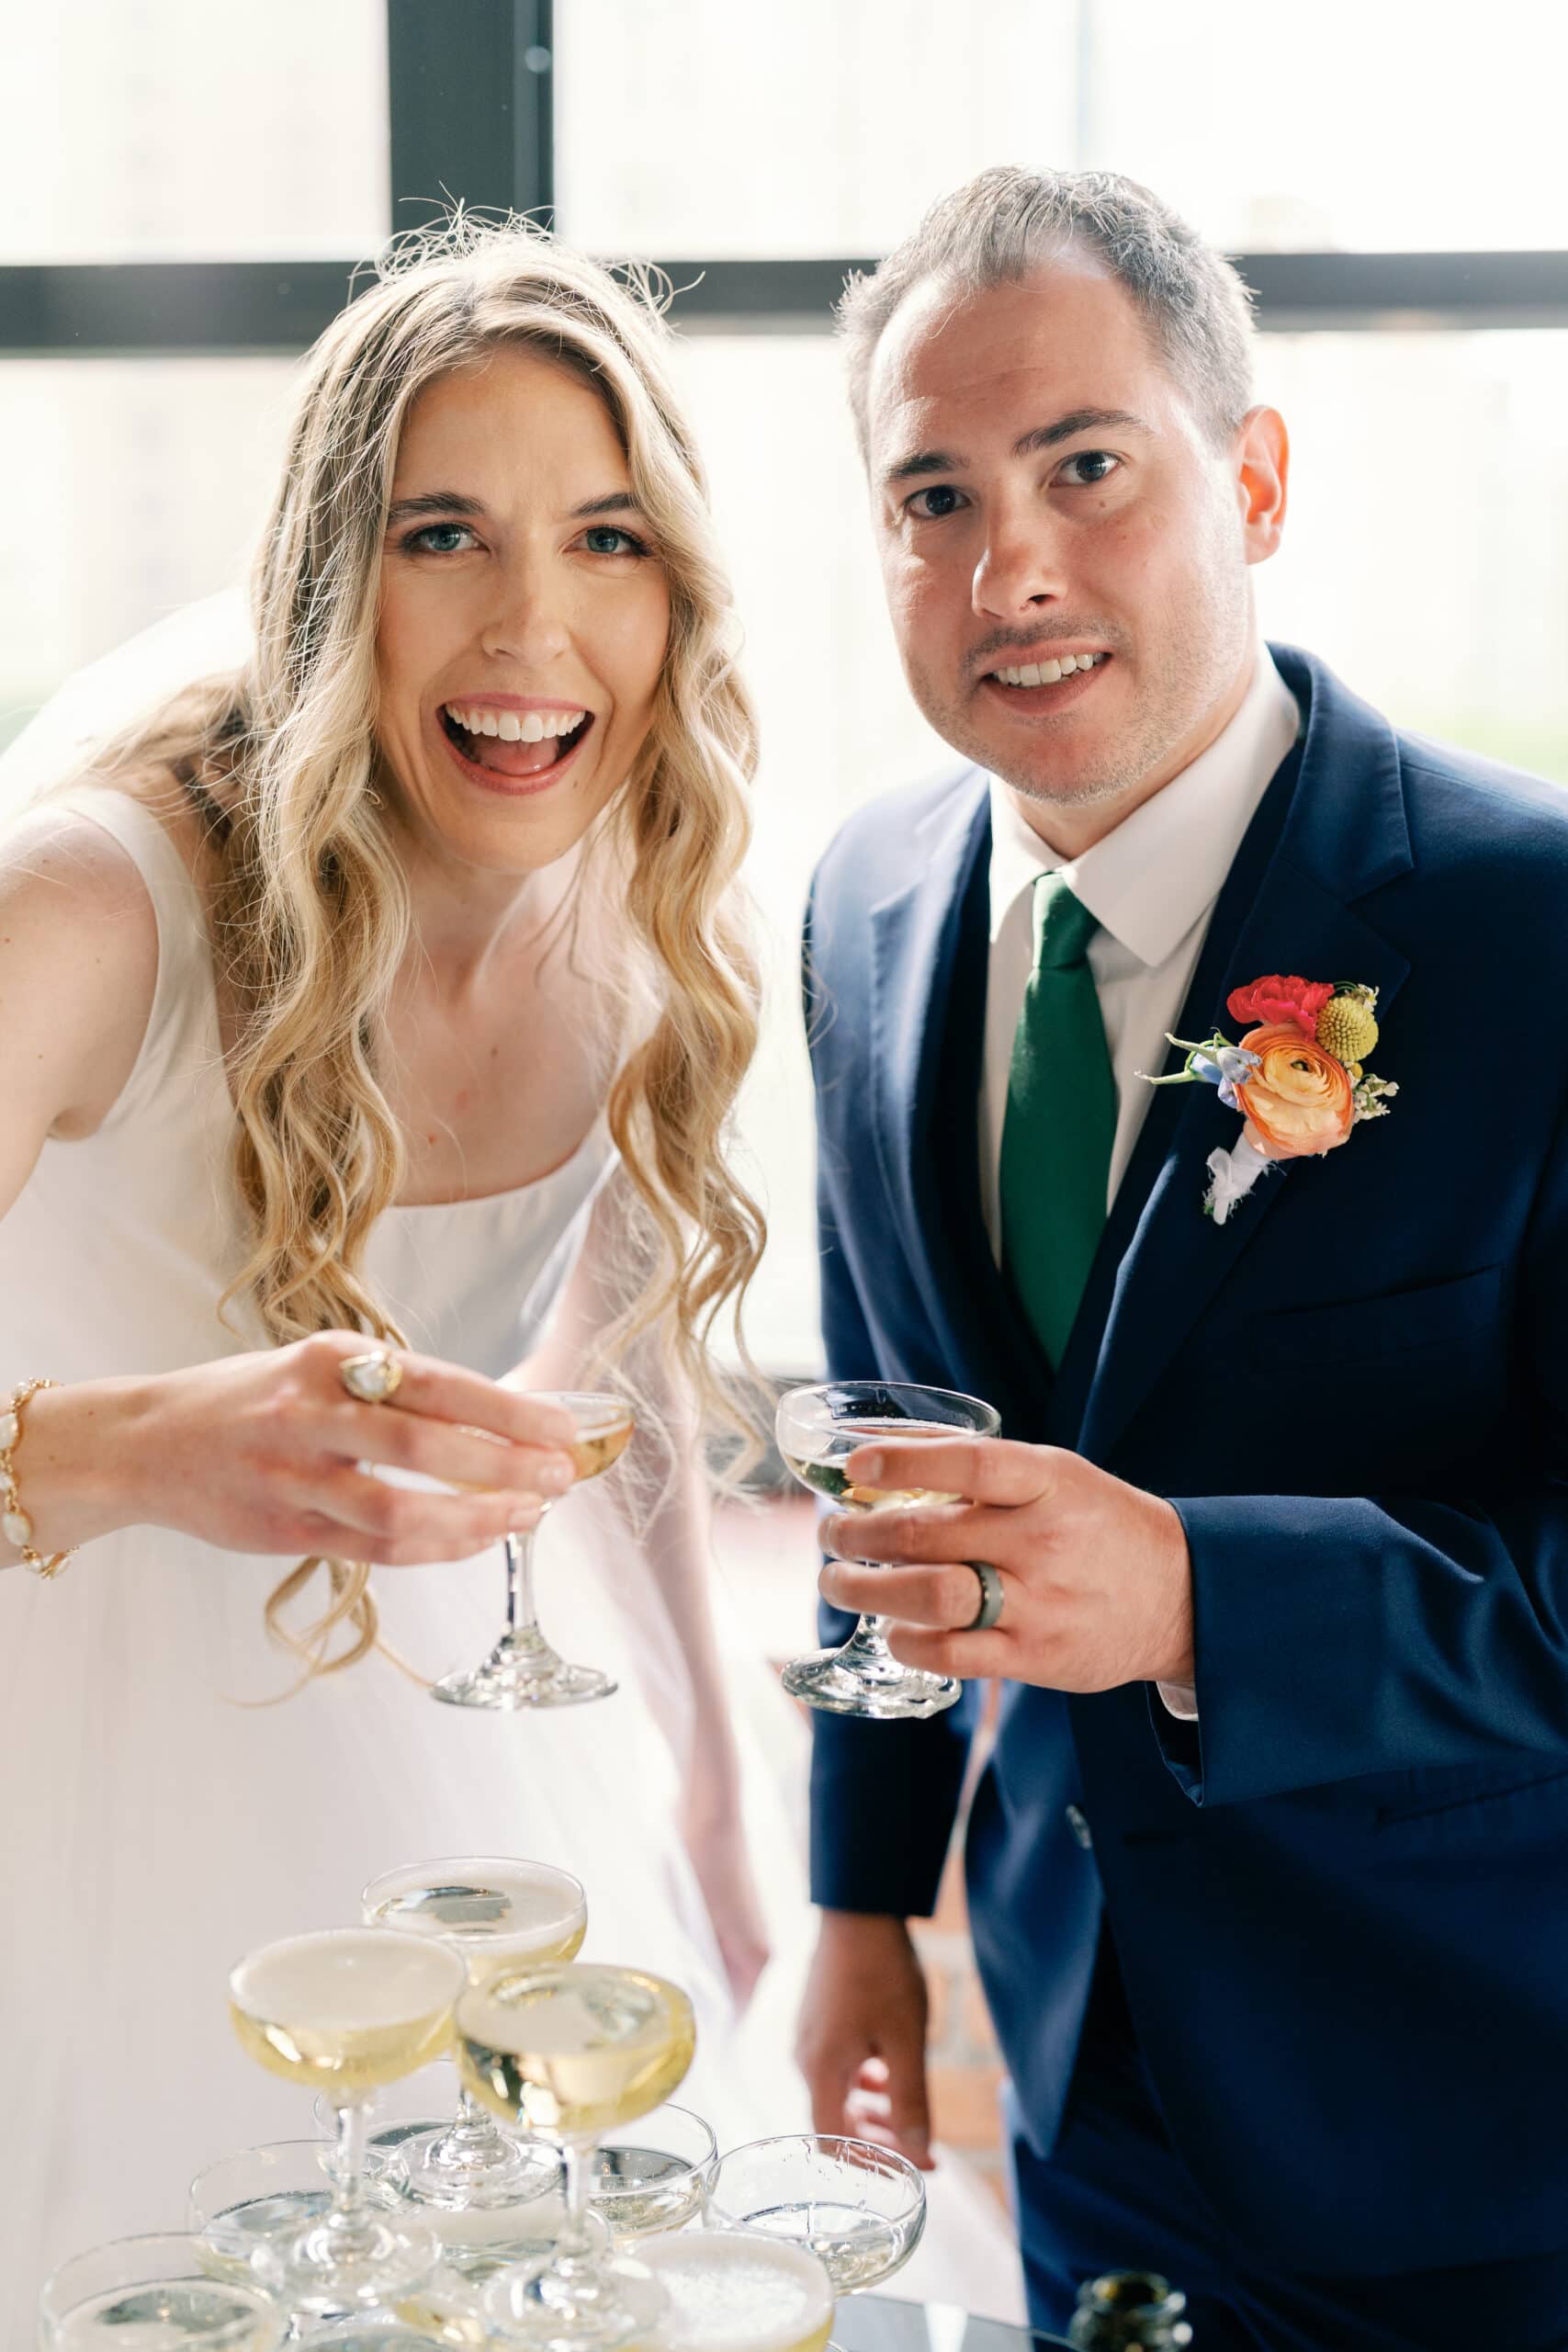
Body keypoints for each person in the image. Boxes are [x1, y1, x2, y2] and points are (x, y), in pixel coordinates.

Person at [795, 165, 1568, 2351]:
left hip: (1467, 2111)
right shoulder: (862, 904)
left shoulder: (1529, 935)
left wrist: (1206, 1597)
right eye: (926, 494)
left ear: (1250, 479)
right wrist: (865, 1894)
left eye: (1082, 467)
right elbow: (888, 1443)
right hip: (1071, 2061)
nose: (1003, 564)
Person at [0, 220, 784, 2314]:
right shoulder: (91, 903)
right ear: (331, 573)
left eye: (604, 537)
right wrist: (151, 1450)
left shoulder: (637, 888)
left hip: (412, 1726)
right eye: (446, 533)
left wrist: (706, 1776)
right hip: (52, 1737)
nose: (533, 627)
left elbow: (604, 1402)